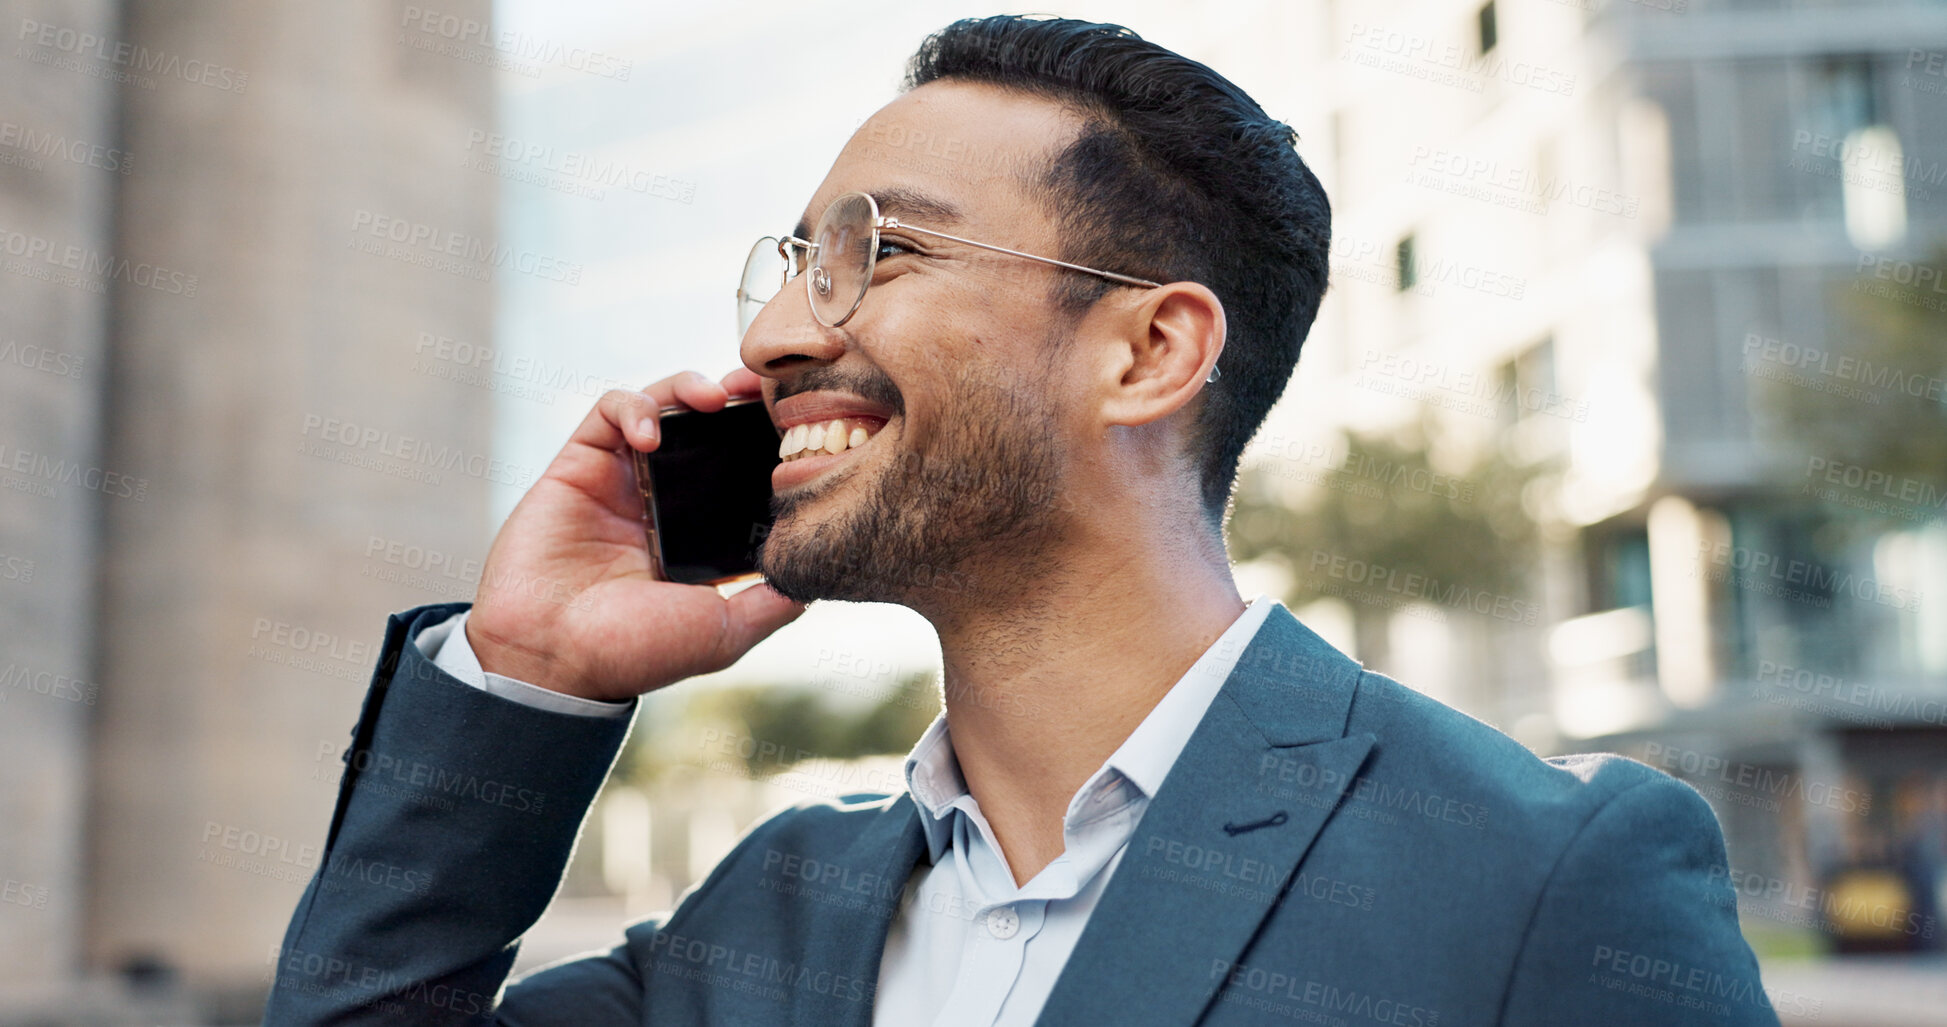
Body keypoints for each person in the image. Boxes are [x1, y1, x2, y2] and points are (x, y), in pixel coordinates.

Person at [264, 15, 1777, 1026]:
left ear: (1148, 353)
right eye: (794, 259)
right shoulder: (768, 917)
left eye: (880, 252)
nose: (784, 329)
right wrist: (524, 670)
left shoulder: (1543, 877)